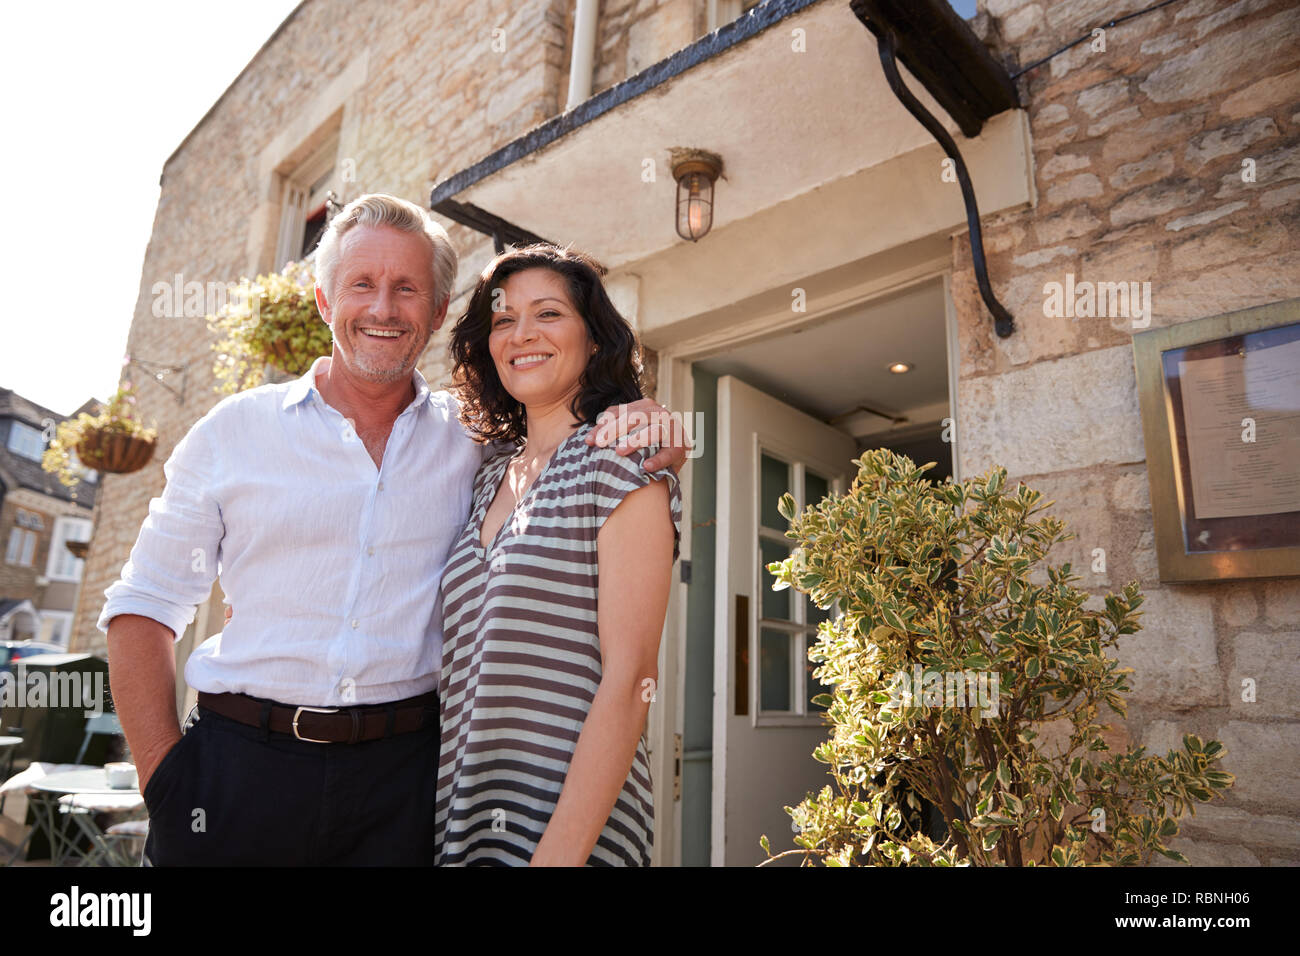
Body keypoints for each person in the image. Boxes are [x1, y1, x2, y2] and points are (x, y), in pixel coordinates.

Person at [100, 194, 688, 866]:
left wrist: (653, 422)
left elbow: (572, 444)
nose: (383, 308)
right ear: (325, 300)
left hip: (406, 789)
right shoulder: (234, 432)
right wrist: (166, 782)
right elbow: (143, 606)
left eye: (406, 289)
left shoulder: (471, 448)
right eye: (362, 285)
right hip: (237, 774)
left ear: (437, 313)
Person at [436, 244, 681, 866]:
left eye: (548, 314)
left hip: (572, 839)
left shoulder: (619, 460)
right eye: (503, 320)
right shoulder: (487, 475)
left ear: (593, 339)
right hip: (463, 830)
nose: (522, 334)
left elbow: (632, 681)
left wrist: (558, 858)